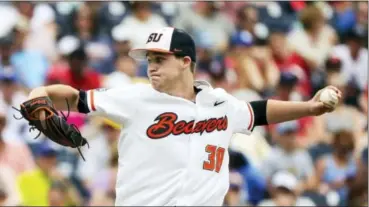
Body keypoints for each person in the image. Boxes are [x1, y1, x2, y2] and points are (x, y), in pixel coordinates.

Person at [23, 27, 342, 206]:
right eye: (149, 59)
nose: (151, 65)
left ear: (185, 61)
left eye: (160, 58)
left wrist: (310, 108)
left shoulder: (219, 102)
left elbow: (257, 112)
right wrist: (41, 91)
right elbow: (77, 98)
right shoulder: (135, 97)